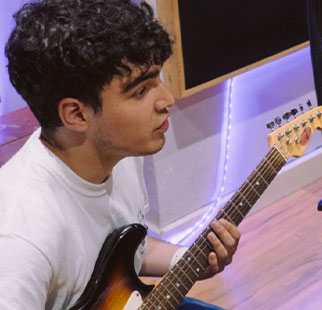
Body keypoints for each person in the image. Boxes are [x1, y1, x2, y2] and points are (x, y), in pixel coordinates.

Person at [0, 0, 240, 309]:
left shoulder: (120, 152)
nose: (167, 99)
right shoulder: (19, 239)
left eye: (158, 78)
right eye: (140, 91)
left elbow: (123, 255)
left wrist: (191, 259)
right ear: (75, 114)